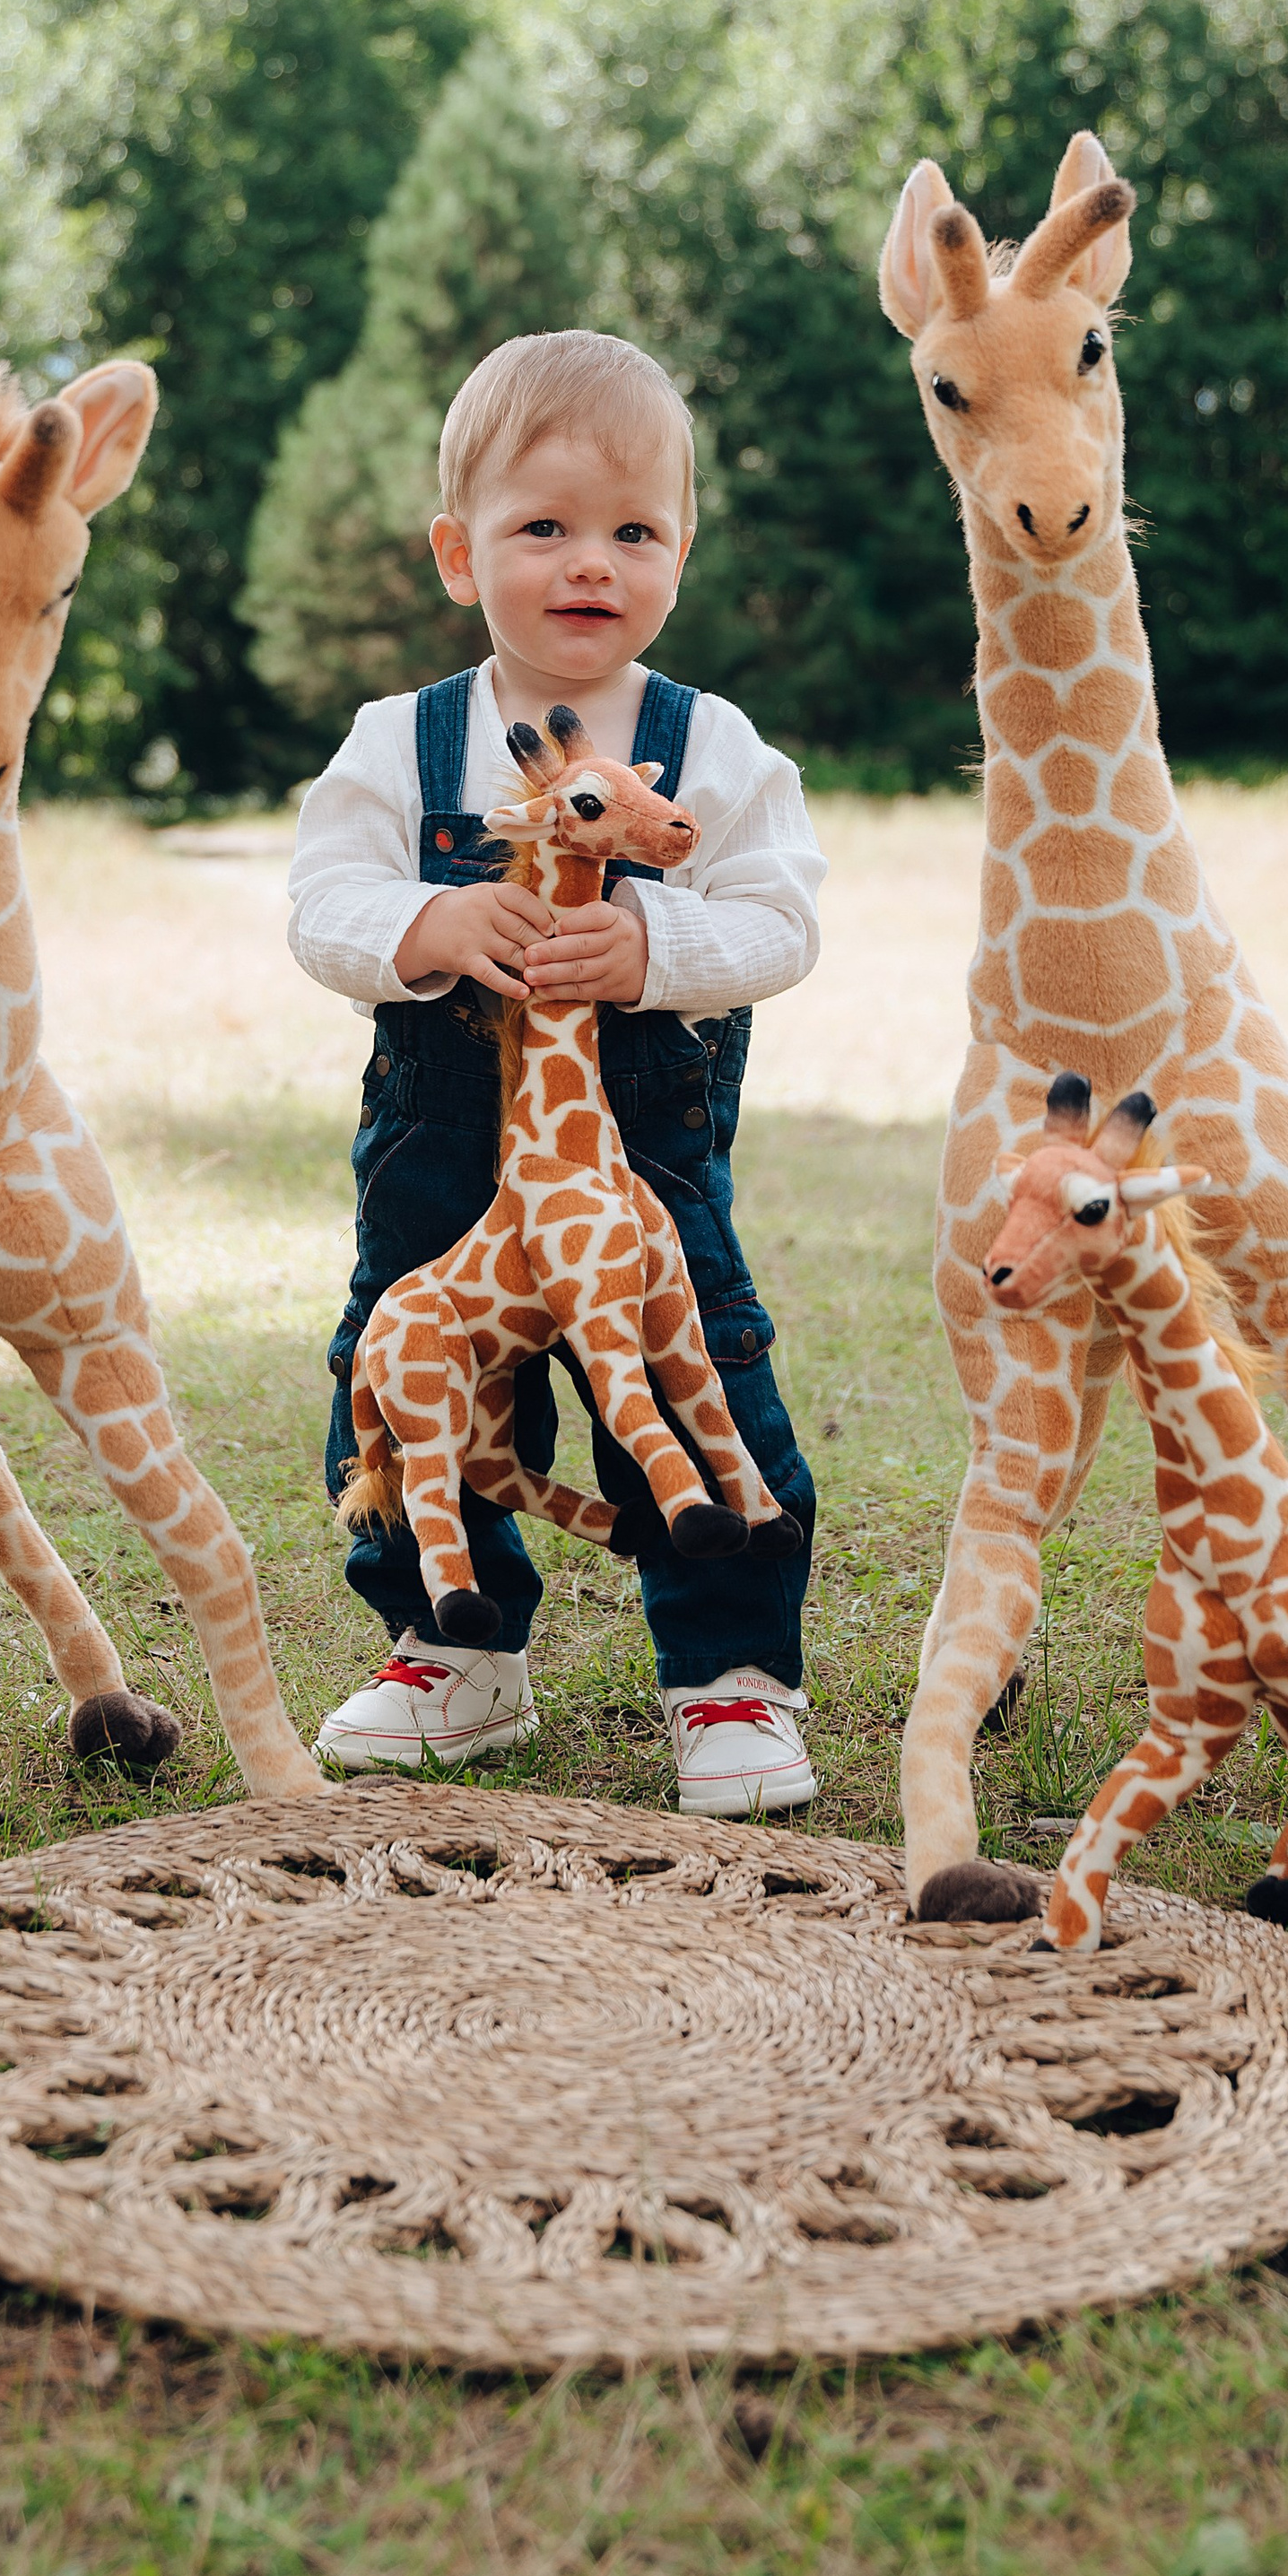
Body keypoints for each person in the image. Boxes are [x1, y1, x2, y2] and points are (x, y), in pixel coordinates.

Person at [285, 329, 826, 1813]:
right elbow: (321, 908)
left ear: (681, 554)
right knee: (402, 1368)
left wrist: (653, 947)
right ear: (461, 554)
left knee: (691, 1361)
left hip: (635, 1152)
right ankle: (452, 1650)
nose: (592, 562)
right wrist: (433, 918)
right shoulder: (401, 744)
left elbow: (784, 919)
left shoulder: (707, 745)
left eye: (633, 531)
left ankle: (730, 1681)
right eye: (546, 528)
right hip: (440, 1147)